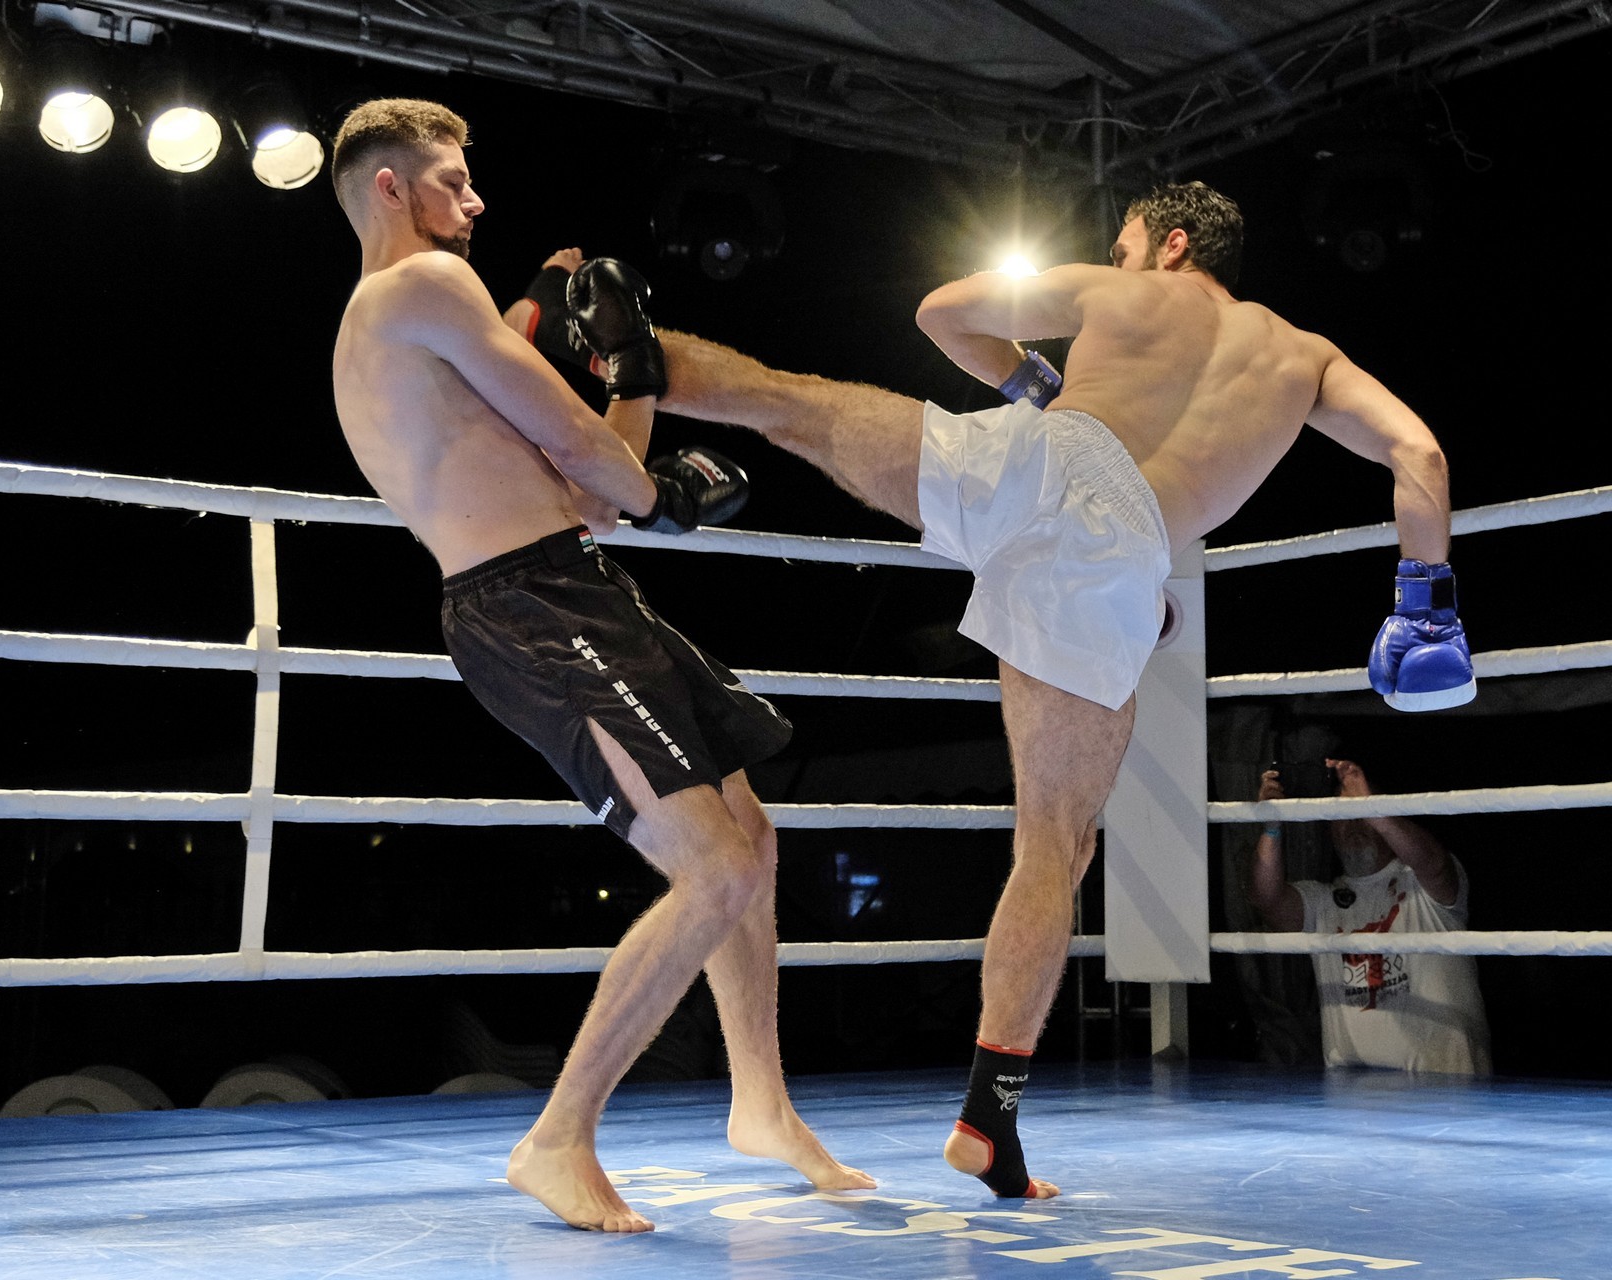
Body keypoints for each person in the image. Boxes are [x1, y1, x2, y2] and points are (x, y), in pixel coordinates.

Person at [509, 181, 1474, 1200]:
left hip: (1028, 457)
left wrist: (1035, 382)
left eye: (1126, 244)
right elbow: (1419, 453)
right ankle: (989, 1119)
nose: (1118, 255)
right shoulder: (1307, 358)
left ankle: (603, 347)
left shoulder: (1119, 293)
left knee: (790, 400)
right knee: (1054, 845)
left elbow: (942, 312)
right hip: (1122, 546)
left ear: (1173, 244)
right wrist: (1424, 604)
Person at [325, 98, 871, 1235]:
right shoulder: (417, 287)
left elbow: (597, 483)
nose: (474, 202)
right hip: (527, 607)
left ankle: (762, 1103)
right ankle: (558, 1136)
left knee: (751, 837)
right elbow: (594, 459)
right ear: (389, 186)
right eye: (453, 180)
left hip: (574, 585)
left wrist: (634, 368)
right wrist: (659, 492)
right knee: (714, 868)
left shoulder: (413, 329)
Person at [1248, 758, 1491, 1074]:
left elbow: (1436, 865)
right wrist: (1272, 827)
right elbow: (1266, 898)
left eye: (1361, 810)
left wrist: (1374, 808)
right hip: (1353, 1092)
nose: (1353, 821)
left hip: (1445, 1085)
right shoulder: (1322, 901)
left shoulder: (1422, 883)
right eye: (1343, 814)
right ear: (1329, 829)